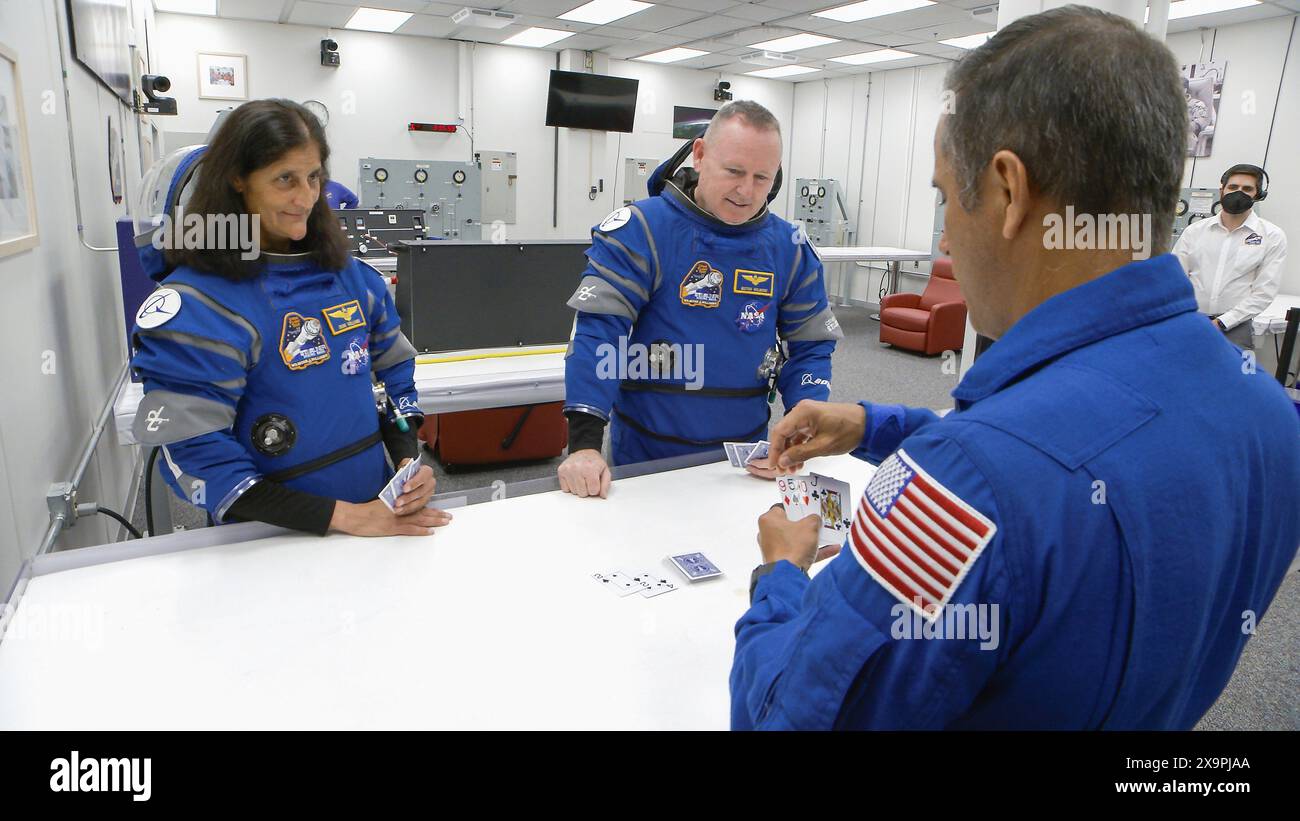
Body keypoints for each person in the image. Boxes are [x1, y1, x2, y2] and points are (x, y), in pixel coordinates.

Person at [729, 6, 1300, 730]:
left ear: (1007, 191)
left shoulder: (964, 484)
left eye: (944, 196)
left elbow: (786, 717)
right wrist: (874, 423)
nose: (943, 232)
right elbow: (1068, 444)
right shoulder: (1269, 418)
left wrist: (780, 572)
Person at [130, 99, 451, 537]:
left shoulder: (355, 281)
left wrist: (405, 462)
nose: (306, 198)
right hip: (264, 535)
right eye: (285, 179)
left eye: (314, 177)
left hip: (374, 517)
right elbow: (196, 455)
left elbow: (393, 379)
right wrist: (343, 517)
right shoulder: (199, 304)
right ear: (237, 180)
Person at [558, 100, 842, 498]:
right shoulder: (642, 229)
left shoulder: (789, 247)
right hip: (646, 458)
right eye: (734, 171)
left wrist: (801, 426)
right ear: (700, 154)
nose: (746, 190)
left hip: (743, 460)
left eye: (763, 177)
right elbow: (599, 336)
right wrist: (585, 444)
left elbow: (812, 347)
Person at [1173, 163, 1287, 351]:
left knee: (1235, 379)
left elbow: (1264, 292)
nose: (1238, 192)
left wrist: (1222, 322)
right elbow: (1175, 279)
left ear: (1258, 195)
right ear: (1222, 190)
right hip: (1191, 322)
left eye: (1247, 189)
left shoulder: (1272, 236)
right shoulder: (1194, 231)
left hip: (1236, 327)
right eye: (1233, 187)